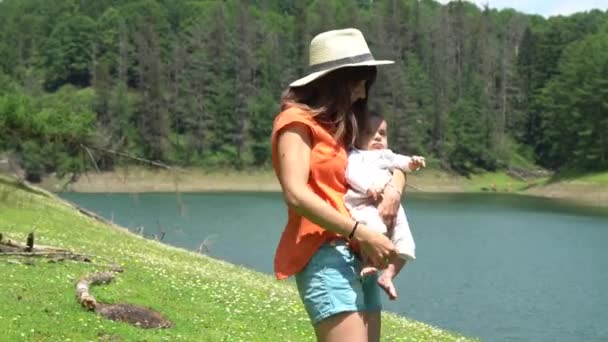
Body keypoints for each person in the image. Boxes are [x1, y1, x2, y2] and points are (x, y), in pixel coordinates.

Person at [271, 28, 407, 342]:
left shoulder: (341, 125)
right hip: (325, 255)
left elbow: (389, 161)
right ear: (336, 81)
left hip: (360, 256)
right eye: (359, 82)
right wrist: (360, 232)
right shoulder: (296, 122)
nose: (362, 93)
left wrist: (395, 190)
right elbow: (295, 193)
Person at [344, 111, 425, 301]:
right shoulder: (355, 155)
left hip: (394, 208)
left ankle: (388, 276)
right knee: (374, 230)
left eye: (382, 133)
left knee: (406, 243)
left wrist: (413, 163)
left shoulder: (386, 155)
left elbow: (401, 162)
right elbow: (351, 174)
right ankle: (366, 263)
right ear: (356, 137)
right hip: (364, 203)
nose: (377, 137)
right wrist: (368, 187)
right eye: (370, 133)